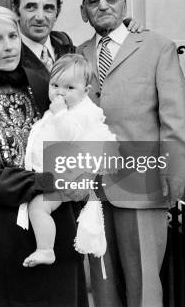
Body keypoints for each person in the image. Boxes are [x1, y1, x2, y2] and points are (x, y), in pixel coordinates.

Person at [0, 6, 88, 307]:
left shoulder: (42, 83)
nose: (9, 46)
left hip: (55, 217)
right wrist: (53, 182)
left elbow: (74, 130)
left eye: (13, 35)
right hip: (3, 224)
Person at [77, 0, 185, 307]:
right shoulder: (79, 52)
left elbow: (175, 117)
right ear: (83, 11)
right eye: (93, 0)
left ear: (124, 4)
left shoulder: (157, 46)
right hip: (92, 186)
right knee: (102, 280)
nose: (102, 4)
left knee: (143, 282)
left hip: (143, 179)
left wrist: (176, 174)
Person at [19, 54, 117, 269]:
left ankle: (45, 249)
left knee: (38, 208)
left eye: (70, 88)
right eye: (54, 85)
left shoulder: (82, 112)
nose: (60, 92)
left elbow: (70, 136)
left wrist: (60, 113)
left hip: (68, 176)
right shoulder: (64, 109)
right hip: (54, 174)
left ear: (86, 91)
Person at [13, 0, 144, 79]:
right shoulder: (7, 54)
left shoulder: (65, 44)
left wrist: (121, 28)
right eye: (30, 7)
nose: (40, 17)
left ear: (57, 13)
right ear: (16, 11)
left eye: (48, 8)